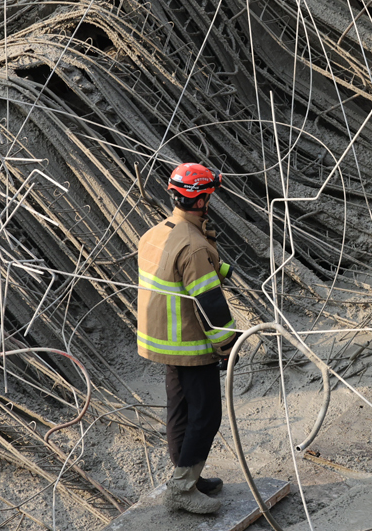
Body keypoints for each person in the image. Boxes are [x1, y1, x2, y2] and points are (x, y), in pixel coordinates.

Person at [137, 163, 239, 514]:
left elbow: (174, 271)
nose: (211, 201)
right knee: (206, 414)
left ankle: (187, 476)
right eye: (209, 195)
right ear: (200, 201)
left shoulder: (156, 233)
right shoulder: (194, 247)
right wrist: (228, 347)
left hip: (162, 341)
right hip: (189, 344)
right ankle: (181, 488)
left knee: (179, 411)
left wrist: (215, 265)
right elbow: (210, 305)